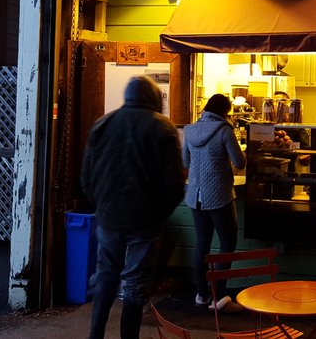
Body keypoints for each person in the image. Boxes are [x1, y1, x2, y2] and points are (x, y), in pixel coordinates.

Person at [81, 76, 185, 339]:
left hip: (109, 216)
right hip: (146, 220)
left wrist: (102, 206)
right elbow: (175, 184)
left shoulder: (102, 124)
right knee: (136, 284)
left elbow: (86, 177)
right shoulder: (163, 128)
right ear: (154, 98)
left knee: (106, 277)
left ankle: (95, 334)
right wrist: (160, 215)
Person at [184, 93, 246, 312]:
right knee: (227, 243)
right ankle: (218, 297)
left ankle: (202, 294)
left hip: (195, 195)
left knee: (202, 242)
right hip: (219, 194)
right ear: (225, 111)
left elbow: (185, 161)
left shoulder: (190, 130)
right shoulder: (224, 131)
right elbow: (239, 162)